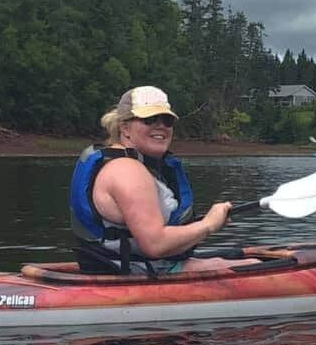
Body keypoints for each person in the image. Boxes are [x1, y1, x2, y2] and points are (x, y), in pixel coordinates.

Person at [70, 85, 239, 275]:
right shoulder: (128, 171)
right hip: (135, 273)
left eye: (167, 121)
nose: (160, 126)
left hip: (137, 266)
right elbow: (155, 244)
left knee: (240, 258)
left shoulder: (129, 164)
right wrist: (208, 225)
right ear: (124, 128)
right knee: (252, 264)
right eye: (149, 119)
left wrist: (204, 224)